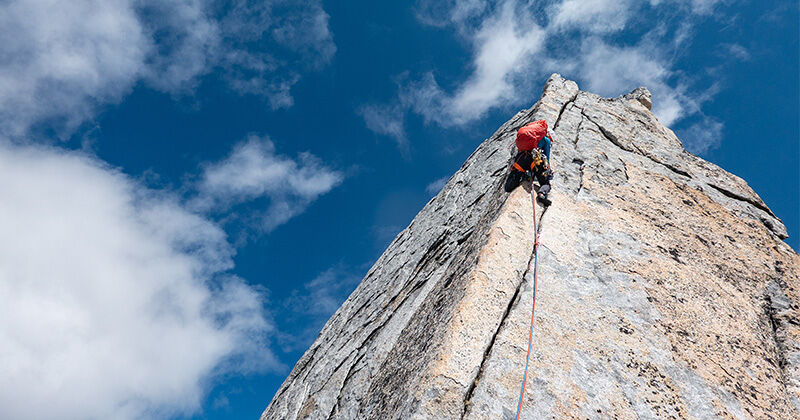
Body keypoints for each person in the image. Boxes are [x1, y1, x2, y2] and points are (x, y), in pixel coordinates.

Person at [504, 120, 553, 206]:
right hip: (535, 160)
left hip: (521, 159)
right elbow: (546, 158)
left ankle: (519, 179)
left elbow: (519, 151)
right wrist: (547, 168)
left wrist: (514, 166)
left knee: (508, 187)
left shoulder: (526, 138)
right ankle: (541, 193)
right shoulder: (546, 140)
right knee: (546, 183)